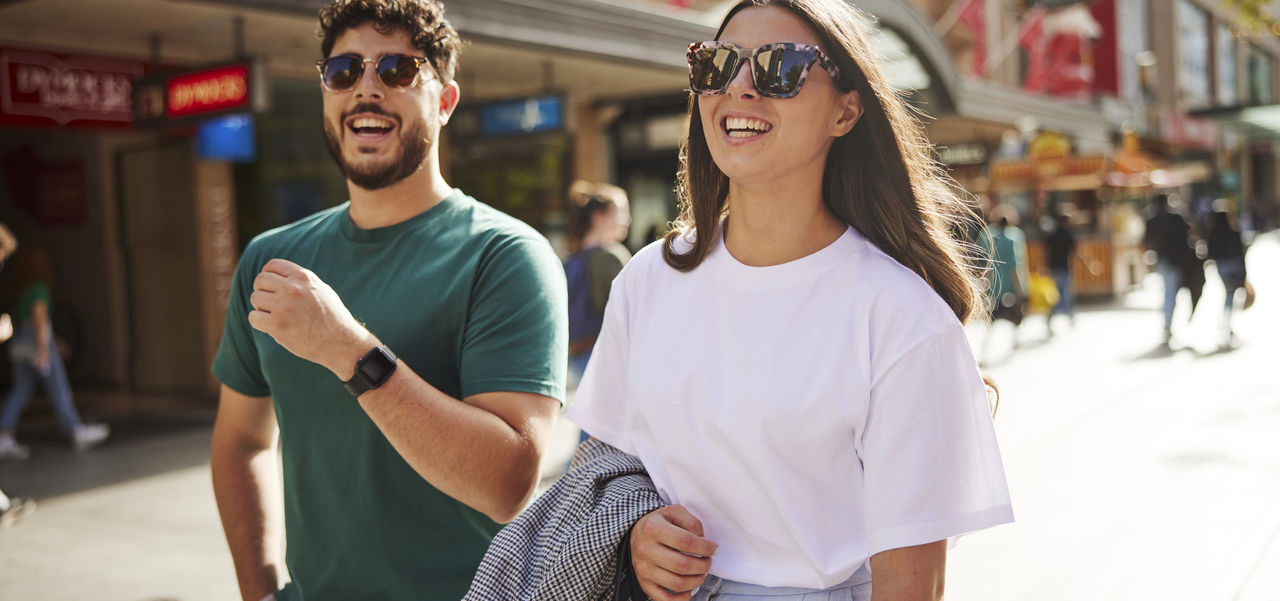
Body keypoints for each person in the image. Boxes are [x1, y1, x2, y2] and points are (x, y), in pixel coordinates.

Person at [567, 2, 1013, 600]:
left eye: (780, 67)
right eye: (717, 65)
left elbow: (911, 588)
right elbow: (600, 469)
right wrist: (634, 532)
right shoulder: (648, 280)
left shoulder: (900, 316)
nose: (740, 88)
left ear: (845, 110)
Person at [209, 2, 567, 600]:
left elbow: (508, 484)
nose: (366, 89)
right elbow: (239, 441)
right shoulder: (270, 261)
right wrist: (260, 590)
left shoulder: (505, 257)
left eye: (399, 70)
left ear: (444, 101)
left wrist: (348, 349)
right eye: (344, 71)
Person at [0, 246, 110, 460]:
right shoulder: (39, 289)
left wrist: (54, 341)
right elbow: (39, 320)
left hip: (21, 347)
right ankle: (75, 430)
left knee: (20, 392)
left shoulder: (22, 289)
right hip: (37, 346)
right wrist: (44, 352)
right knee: (59, 388)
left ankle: (3, 434)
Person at [562, 181, 631, 387]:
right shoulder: (611, 256)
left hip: (575, 354)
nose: (627, 220)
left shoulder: (569, 260)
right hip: (605, 354)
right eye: (621, 213)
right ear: (598, 217)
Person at [978, 205, 1028, 362]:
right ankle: (1015, 342)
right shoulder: (1014, 238)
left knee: (991, 319)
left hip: (994, 284)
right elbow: (1016, 264)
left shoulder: (989, 237)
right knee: (1016, 314)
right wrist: (1020, 287)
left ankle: (985, 349)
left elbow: (982, 261)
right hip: (1009, 285)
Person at [1144, 193, 1191, 345]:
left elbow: (1146, 241)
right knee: (1170, 292)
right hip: (1175, 260)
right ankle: (1167, 323)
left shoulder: (1152, 219)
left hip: (1162, 260)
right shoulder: (1176, 217)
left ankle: (1167, 322)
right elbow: (1188, 236)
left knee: (1167, 291)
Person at [1206, 203, 1247, 346]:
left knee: (1228, 294)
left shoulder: (1213, 234)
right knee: (1230, 295)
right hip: (1234, 266)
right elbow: (1241, 254)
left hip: (1223, 267)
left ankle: (1226, 325)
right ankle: (1226, 325)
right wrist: (1244, 274)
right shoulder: (1234, 232)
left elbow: (1209, 254)